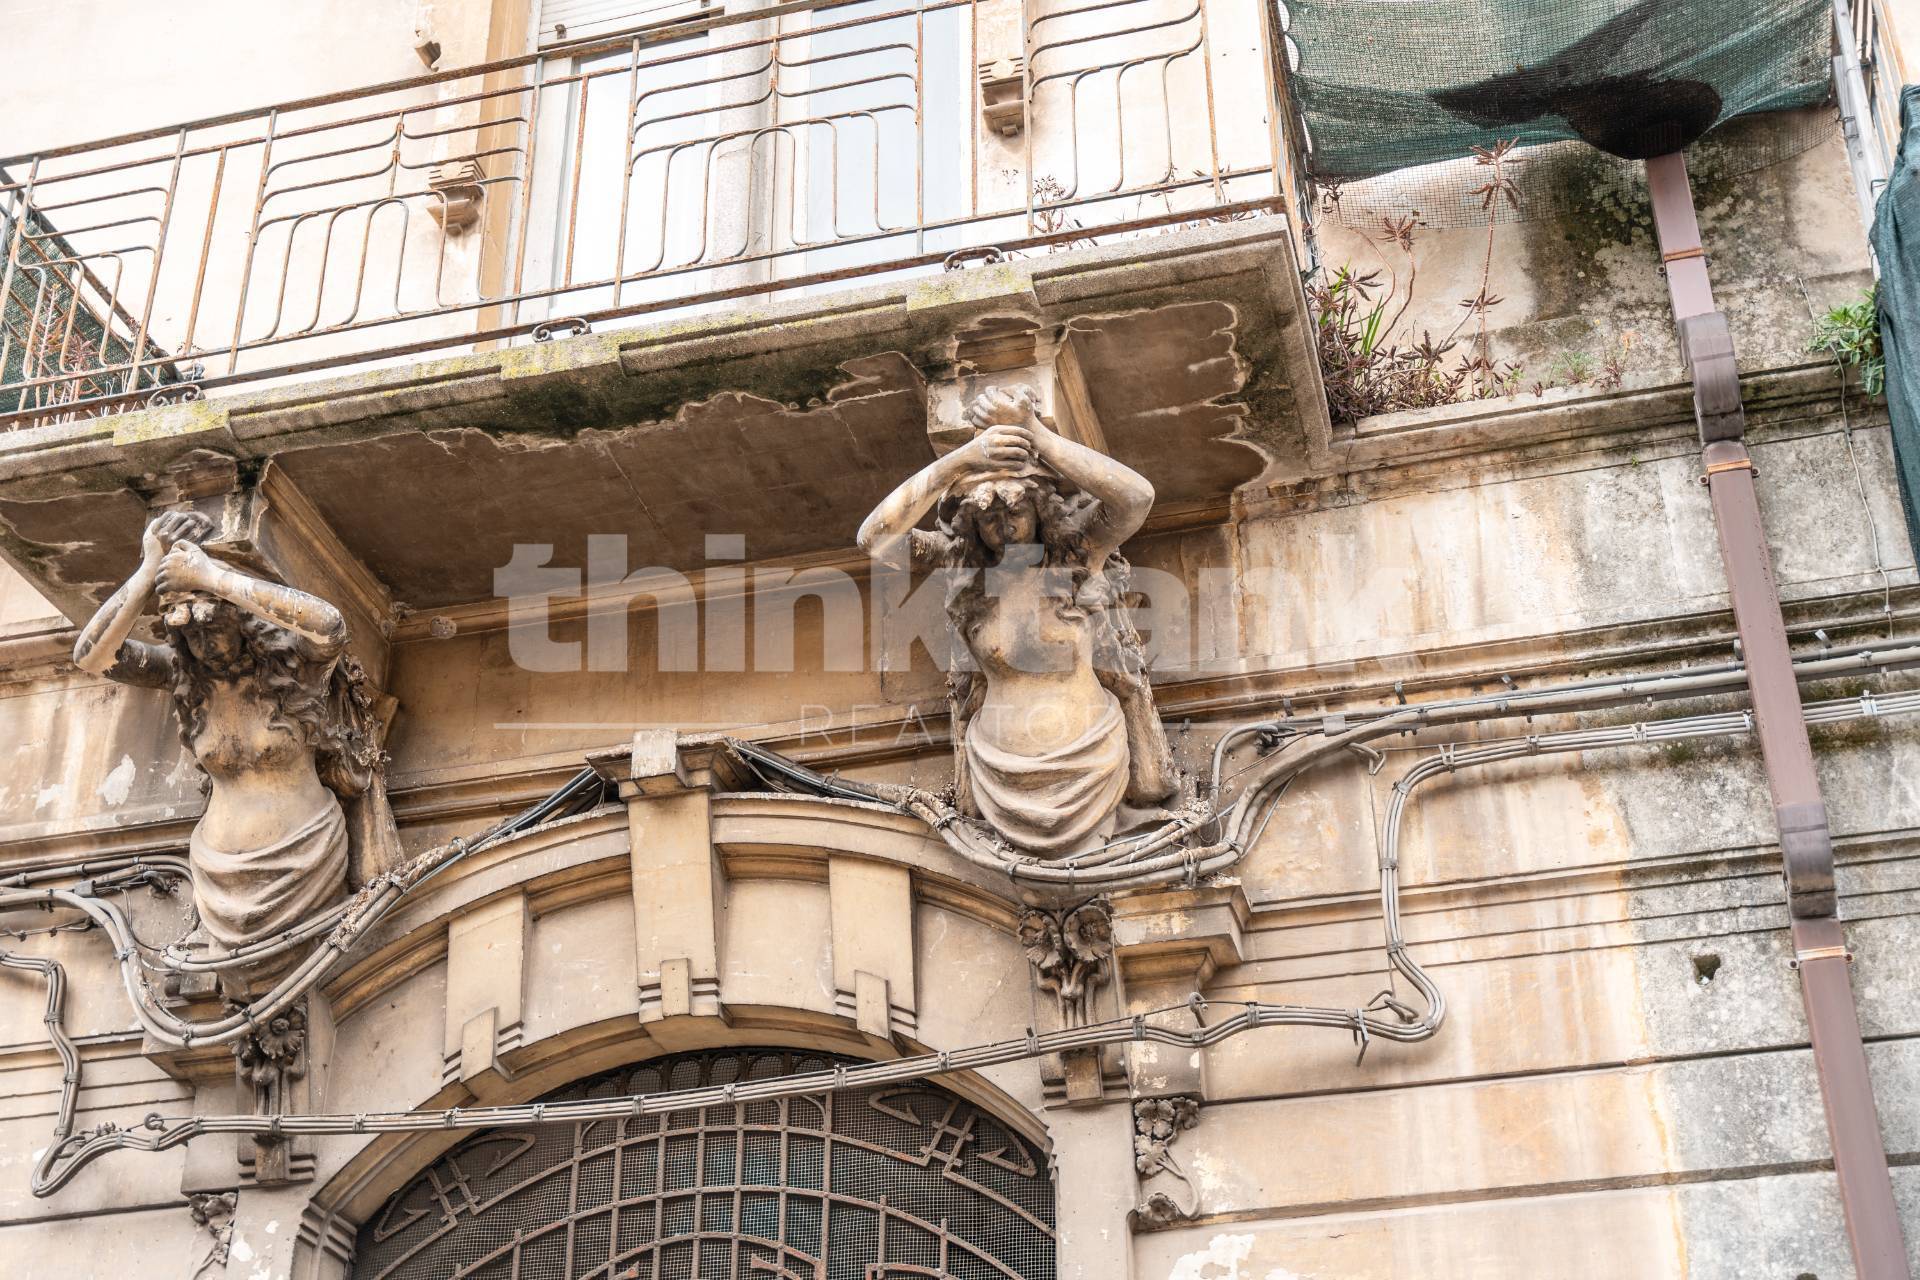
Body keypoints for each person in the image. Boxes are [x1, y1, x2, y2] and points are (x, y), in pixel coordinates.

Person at [857, 386, 1178, 856]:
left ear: (1040, 510)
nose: (1003, 526)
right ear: (972, 526)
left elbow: (1136, 498)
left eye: (1016, 510)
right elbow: (875, 540)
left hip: (1091, 757)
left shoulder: (1075, 557)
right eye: (988, 518)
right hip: (996, 768)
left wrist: (1037, 436)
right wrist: (961, 460)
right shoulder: (962, 570)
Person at [73, 511, 386, 974]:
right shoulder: (184, 679)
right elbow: (91, 658)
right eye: (188, 628)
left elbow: (330, 625)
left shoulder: (294, 674)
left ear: (242, 621)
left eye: (211, 620)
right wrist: (148, 571)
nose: (202, 637)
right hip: (215, 873)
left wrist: (213, 577)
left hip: (304, 855)